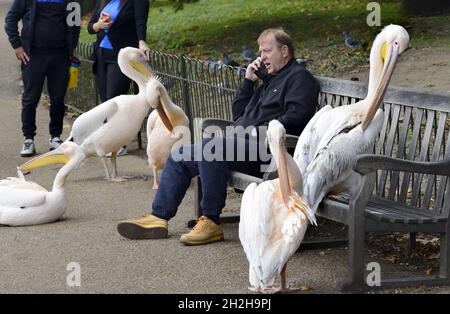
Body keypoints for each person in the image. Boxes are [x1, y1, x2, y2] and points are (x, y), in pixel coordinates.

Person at [117, 28, 320, 245]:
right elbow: (239, 115)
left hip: (272, 153)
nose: (261, 57)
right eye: (260, 52)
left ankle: (211, 221)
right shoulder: (269, 80)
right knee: (180, 154)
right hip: (242, 145)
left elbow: (298, 117)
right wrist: (249, 82)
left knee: (213, 147)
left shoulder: (300, 78)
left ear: (285, 50)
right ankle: (159, 217)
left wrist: (255, 131)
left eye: (267, 51)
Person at [4, 0, 81, 157]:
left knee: (58, 99)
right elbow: (10, 20)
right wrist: (17, 45)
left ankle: (56, 137)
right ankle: (29, 139)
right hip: (33, 55)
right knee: (30, 98)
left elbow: (75, 23)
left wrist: (71, 47)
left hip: (60, 56)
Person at [88, 0, 150, 156]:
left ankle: (119, 143)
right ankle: (110, 139)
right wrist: (99, 25)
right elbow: (90, 27)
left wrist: (142, 41)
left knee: (114, 98)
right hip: (102, 54)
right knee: (106, 101)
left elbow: (140, 21)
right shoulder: (104, 2)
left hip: (121, 56)